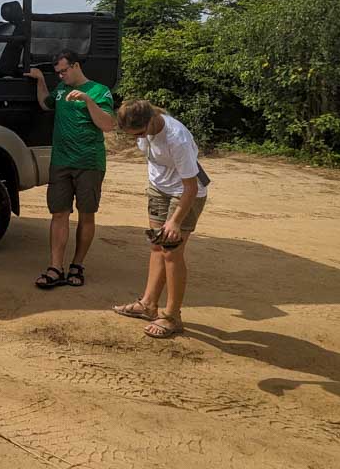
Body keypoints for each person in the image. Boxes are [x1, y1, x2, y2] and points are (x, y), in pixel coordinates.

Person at [111, 100, 209, 339]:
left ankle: (172, 316)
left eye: (140, 133)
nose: (139, 138)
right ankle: (148, 304)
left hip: (184, 193)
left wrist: (175, 221)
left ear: (152, 121)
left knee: (171, 252)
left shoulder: (177, 139)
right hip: (159, 189)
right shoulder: (146, 130)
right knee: (157, 246)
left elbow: (190, 187)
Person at [26, 50, 115, 289]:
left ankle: (77, 264)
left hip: (89, 163)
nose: (61, 76)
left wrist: (88, 101)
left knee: (86, 214)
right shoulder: (61, 90)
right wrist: (41, 80)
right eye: (58, 73)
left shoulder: (99, 91)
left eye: (64, 71)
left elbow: (107, 125)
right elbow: (45, 104)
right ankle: (56, 267)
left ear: (75, 66)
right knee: (59, 213)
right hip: (61, 162)